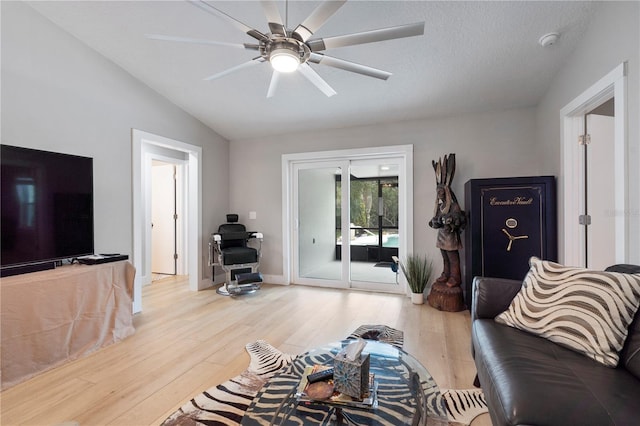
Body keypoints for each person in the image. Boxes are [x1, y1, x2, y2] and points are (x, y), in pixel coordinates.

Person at [429, 154, 466, 287]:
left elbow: (458, 218)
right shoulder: (440, 206)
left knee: (452, 257)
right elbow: (437, 220)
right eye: (437, 191)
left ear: (446, 191)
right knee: (444, 256)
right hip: (442, 235)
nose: (439, 194)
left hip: (450, 236)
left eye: (441, 191)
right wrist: (435, 221)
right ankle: (446, 273)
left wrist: (450, 220)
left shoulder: (453, 206)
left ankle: (455, 277)